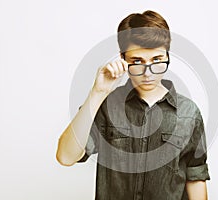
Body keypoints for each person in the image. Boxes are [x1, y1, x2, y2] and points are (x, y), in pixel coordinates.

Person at [56, 10, 210, 200]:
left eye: (157, 61)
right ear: (123, 58)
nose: (148, 73)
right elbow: (65, 156)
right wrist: (98, 92)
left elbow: (195, 178)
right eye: (137, 61)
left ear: (167, 56)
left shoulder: (189, 113)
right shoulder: (107, 105)